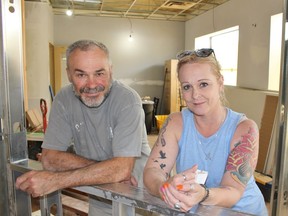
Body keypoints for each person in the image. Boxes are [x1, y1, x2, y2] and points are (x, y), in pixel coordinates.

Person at [16, 40, 151, 215]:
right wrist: (109, 171)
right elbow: (50, 159)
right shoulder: (63, 99)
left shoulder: (127, 100)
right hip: (98, 194)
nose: (92, 84)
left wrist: (56, 181)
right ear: (69, 75)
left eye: (99, 73)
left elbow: (122, 170)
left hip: (137, 194)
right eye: (81, 75)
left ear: (111, 70)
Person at [143, 48, 268, 216]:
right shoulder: (175, 123)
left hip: (242, 212)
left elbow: (233, 191)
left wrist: (203, 194)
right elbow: (153, 171)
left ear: (220, 83)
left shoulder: (244, 129)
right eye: (187, 87)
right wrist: (164, 188)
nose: (195, 95)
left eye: (203, 84)